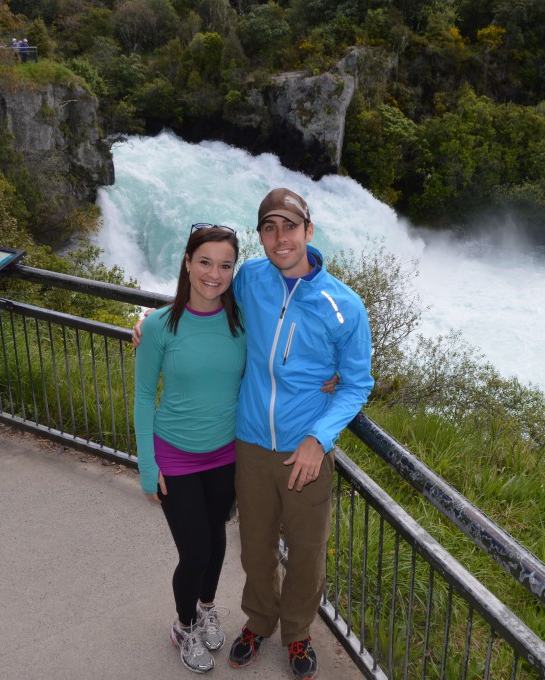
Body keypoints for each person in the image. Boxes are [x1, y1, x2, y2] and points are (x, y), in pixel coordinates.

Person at [136, 188, 373, 679]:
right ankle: (259, 622)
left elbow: (356, 384)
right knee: (255, 546)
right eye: (270, 227)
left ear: (309, 231)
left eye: (290, 226)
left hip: (305, 449)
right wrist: (148, 323)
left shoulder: (345, 306)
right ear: (261, 235)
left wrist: (320, 435)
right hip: (245, 442)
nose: (280, 237)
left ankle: (298, 634)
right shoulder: (248, 281)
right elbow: (203, 295)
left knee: (306, 552)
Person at [134, 224, 246, 674]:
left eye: (225, 265)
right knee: (195, 551)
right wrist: (147, 464)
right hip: (175, 454)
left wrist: (328, 377)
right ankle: (184, 626)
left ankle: (206, 607)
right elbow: (144, 396)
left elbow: (284, 357)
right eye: (205, 261)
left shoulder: (242, 322)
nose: (213, 274)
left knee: (217, 541)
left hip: (224, 453)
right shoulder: (159, 326)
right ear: (186, 262)